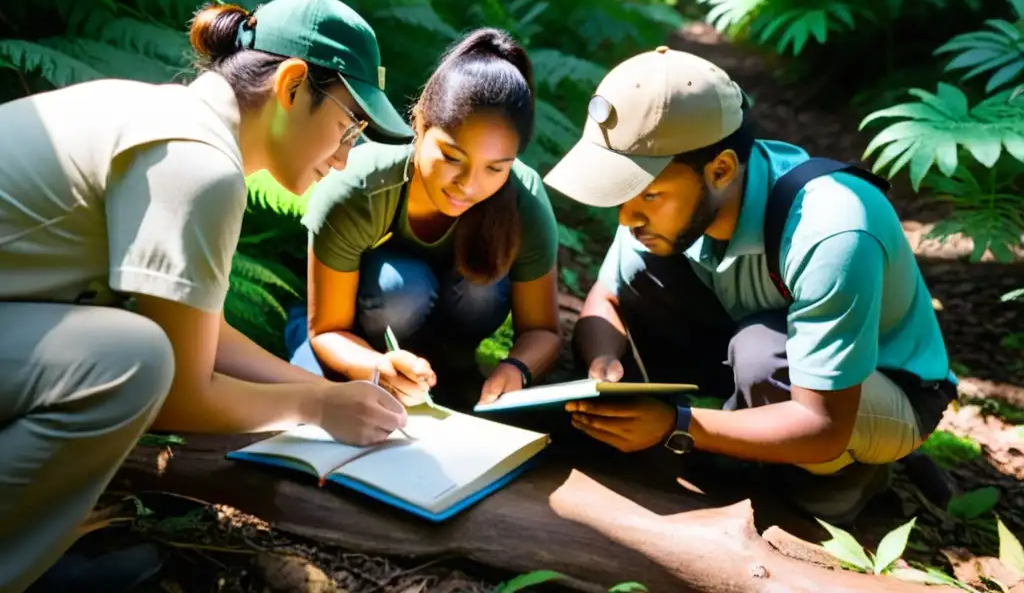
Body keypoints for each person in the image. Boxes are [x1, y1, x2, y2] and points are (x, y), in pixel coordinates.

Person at [0, 0, 413, 593]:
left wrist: (332, 390)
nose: (348, 155)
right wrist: (319, 409)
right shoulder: (198, 167)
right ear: (293, 85)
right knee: (128, 359)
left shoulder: (173, 120)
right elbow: (177, 394)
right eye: (349, 124)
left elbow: (200, 332)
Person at [541, 45, 958, 524]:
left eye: (648, 194)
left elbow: (822, 423)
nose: (627, 216)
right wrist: (603, 363)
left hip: (869, 393)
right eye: (621, 192)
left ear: (720, 170)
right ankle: (731, 433)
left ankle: (842, 477)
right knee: (659, 282)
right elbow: (609, 297)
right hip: (755, 341)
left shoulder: (833, 228)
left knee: (764, 357)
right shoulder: (666, 211)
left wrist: (675, 426)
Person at [283, 28, 562, 411]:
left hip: (447, 346)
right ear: (419, 123)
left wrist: (517, 369)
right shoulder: (360, 185)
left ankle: (450, 374)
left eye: (495, 169)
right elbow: (327, 329)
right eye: (451, 157)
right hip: (359, 337)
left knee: (484, 287)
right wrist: (378, 367)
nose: (468, 184)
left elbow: (543, 330)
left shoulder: (523, 197)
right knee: (402, 288)